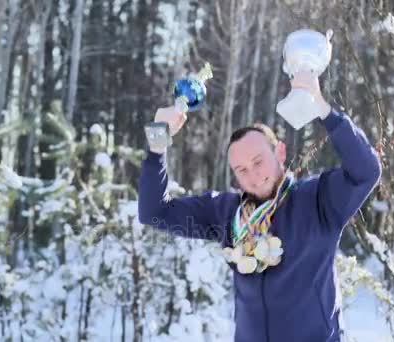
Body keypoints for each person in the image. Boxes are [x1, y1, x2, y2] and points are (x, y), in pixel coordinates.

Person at [137, 71, 381, 342]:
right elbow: (154, 212)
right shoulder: (225, 213)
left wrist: (323, 108)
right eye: (241, 169)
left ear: (280, 153)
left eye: (258, 162)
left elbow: (366, 171)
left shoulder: (318, 200)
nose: (252, 176)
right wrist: (157, 144)